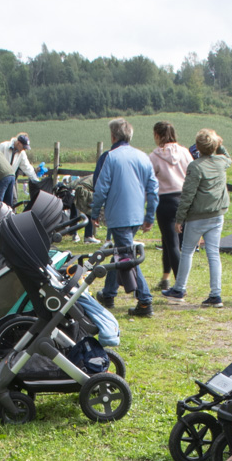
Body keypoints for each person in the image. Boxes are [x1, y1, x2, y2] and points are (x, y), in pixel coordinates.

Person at [89, 117, 158, 318]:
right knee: (120, 251)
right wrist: (149, 215)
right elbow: (153, 188)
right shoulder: (143, 157)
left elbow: (101, 189)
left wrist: (95, 213)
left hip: (119, 215)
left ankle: (145, 301)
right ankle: (108, 294)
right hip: (136, 214)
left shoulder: (111, 157)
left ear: (113, 136)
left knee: (127, 257)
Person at [163, 127, 229, 308]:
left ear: (197, 147)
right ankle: (216, 294)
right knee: (213, 254)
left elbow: (187, 195)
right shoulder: (222, 162)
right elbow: (227, 156)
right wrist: (220, 145)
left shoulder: (195, 166)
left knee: (187, 251)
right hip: (217, 215)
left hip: (197, 217)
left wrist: (179, 218)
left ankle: (179, 288)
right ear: (215, 145)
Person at [148, 121, 192, 292]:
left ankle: (179, 285)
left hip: (165, 200)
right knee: (169, 241)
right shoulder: (185, 152)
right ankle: (165, 278)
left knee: (172, 243)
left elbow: (150, 180)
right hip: (183, 198)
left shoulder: (154, 156)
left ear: (157, 135)